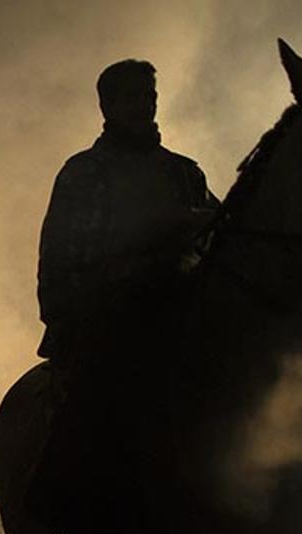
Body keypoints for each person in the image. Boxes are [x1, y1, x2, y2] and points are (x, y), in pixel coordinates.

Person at [36, 59, 218, 363]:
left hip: (186, 319)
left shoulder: (184, 172)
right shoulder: (83, 174)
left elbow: (224, 237)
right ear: (107, 105)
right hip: (105, 332)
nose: (144, 106)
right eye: (132, 97)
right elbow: (59, 263)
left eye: (150, 97)